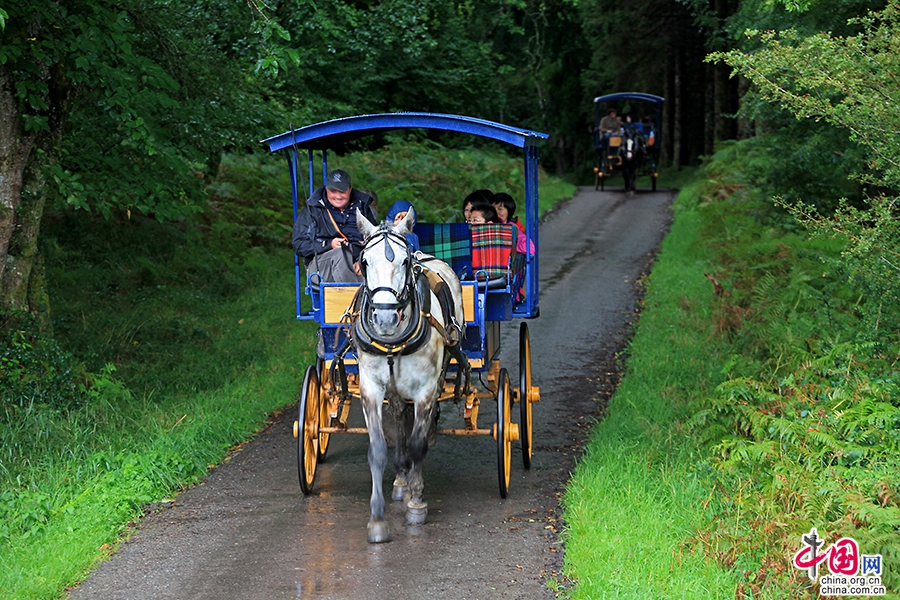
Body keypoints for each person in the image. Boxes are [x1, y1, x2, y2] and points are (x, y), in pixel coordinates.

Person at [291, 168, 378, 282]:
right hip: (321, 268)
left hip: (357, 262)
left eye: (342, 191)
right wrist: (329, 244)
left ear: (350, 190)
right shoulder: (314, 208)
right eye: (333, 191)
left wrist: (361, 260)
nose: (338, 196)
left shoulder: (362, 206)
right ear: (326, 189)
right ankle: (351, 297)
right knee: (340, 253)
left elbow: (375, 240)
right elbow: (299, 244)